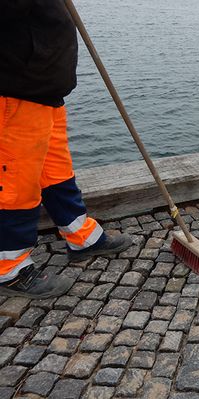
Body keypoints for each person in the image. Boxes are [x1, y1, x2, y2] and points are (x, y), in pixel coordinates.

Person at [0, 1, 133, 299]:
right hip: (16, 88)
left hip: (44, 89)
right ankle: (8, 267)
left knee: (56, 171)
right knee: (16, 183)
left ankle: (81, 236)